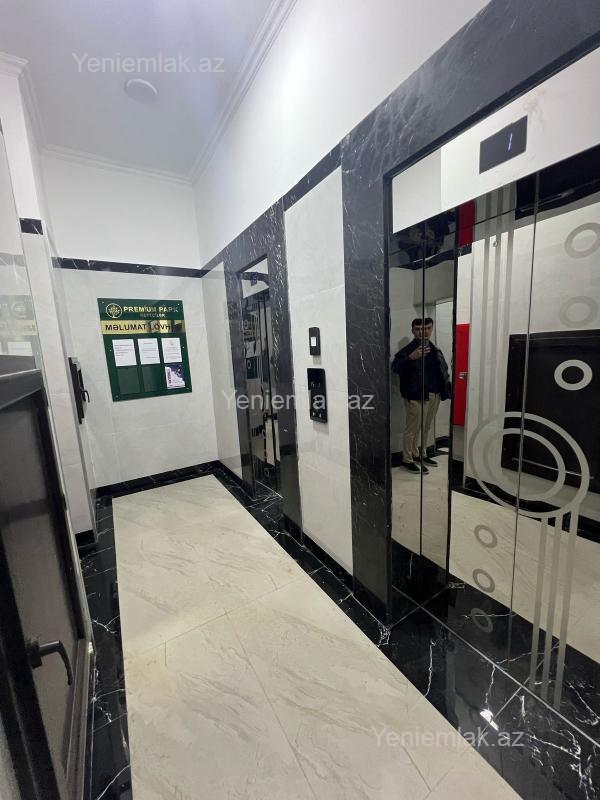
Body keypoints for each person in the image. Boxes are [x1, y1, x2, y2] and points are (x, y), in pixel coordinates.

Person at [391, 317, 451, 474]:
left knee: (426, 426)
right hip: (415, 394)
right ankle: (407, 459)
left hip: (434, 394)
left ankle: (420, 455)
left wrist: (445, 389)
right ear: (413, 330)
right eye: (418, 329)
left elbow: (443, 370)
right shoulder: (408, 350)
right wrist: (411, 358)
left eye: (427, 328)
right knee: (412, 428)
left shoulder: (435, 349)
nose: (423, 332)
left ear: (431, 329)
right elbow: (395, 367)